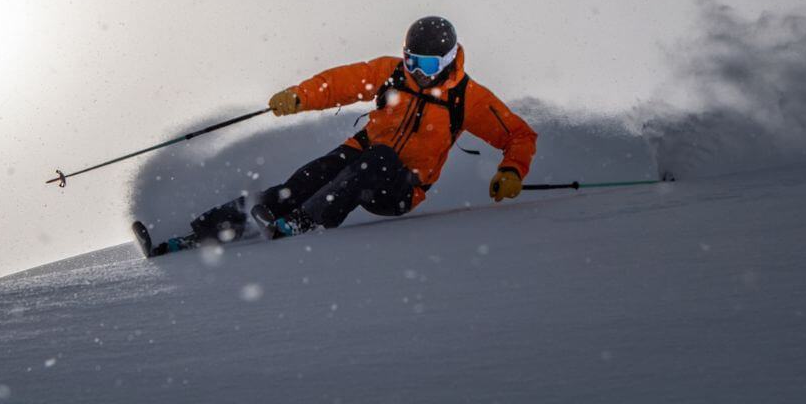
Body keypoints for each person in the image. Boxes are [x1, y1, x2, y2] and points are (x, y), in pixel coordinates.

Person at [151, 16, 538, 254]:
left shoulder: (467, 98)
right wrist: (300, 96)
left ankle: (307, 221)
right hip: (362, 156)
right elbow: (341, 82)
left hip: (402, 188)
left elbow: (519, 136)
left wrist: (512, 171)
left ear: (450, 59)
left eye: (427, 63)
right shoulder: (392, 73)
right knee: (304, 180)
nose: (417, 70)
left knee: (377, 161)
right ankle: (202, 231)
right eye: (411, 59)